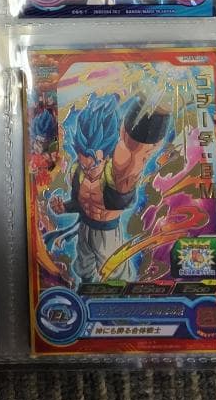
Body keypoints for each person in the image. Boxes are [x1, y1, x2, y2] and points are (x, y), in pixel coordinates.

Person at [49, 92, 171, 283]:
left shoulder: (116, 174)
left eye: (92, 166)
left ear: (106, 156)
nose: (87, 170)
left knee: (116, 275)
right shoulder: (76, 172)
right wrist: (64, 207)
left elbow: (137, 151)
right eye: (84, 165)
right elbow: (81, 203)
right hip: (84, 229)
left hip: (108, 234)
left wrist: (156, 112)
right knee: (83, 269)